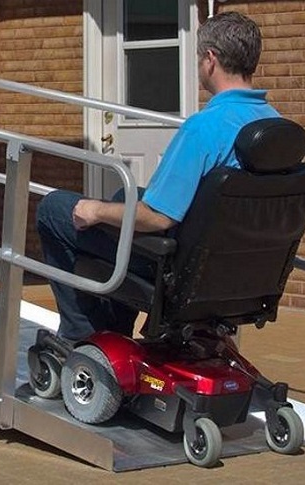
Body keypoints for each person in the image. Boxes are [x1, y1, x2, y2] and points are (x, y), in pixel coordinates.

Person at [36, 11, 279, 342]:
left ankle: (81, 336)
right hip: (240, 271)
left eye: (198, 58)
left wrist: (95, 211)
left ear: (210, 60)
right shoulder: (274, 126)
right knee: (126, 198)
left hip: (180, 270)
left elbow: (158, 217)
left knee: (54, 210)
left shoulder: (205, 128)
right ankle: (113, 334)